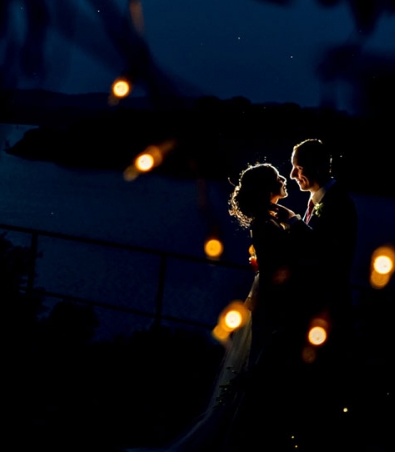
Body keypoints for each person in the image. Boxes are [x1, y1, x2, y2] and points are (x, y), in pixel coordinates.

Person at [139, 162, 307, 452]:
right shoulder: (264, 224)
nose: (283, 178)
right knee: (259, 366)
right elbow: (272, 271)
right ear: (268, 189)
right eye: (277, 176)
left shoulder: (269, 219)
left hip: (271, 302)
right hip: (272, 305)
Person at [290, 138, 359, 444]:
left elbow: (322, 257)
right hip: (309, 312)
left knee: (323, 388)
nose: (293, 175)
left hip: (327, 311)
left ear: (317, 166)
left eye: (298, 167)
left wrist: (291, 228)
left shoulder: (338, 204)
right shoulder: (317, 201)